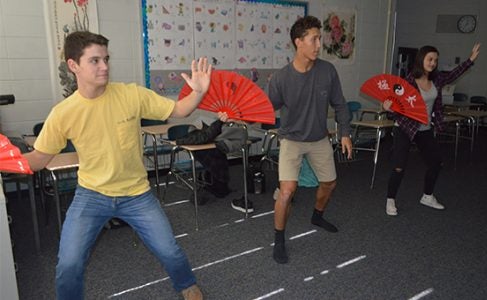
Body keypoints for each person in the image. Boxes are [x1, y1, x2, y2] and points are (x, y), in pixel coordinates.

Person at [23, 31, 219, 300]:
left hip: (136, 194)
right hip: (91, 196)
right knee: (68, 264)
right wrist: (4, 160)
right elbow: (37, 161)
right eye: (94, 60)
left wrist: (198, 92)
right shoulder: (63, 113)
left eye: (106, 59)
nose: (104, 66)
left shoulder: (130, 95)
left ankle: (187, 285)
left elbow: (180, 110)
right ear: (73, 65)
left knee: (169, 250)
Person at [266, 16, 353, 264]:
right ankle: (279, 239)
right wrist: (233, 113)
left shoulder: (327, 71)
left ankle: (317, 215)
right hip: (291, 140)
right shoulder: (281, 78)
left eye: (319, 39)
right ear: (298, 42)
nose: (318, 45)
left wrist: (344, 132)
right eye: (313, 39)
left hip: (318, 138)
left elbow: (340, 104)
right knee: (286, 192)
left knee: (329, 184)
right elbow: (264, 109)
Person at [383, 43, 480, 216]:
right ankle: (390, 200)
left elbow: (453, 75)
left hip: (424, 128)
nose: (433, 62)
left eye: (435, 59)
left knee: (436, 162)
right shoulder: (409, 81)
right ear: (421, 60)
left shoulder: (437, 80)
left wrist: (470, 60)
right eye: (430, 59)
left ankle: (427, 196)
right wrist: (389, 107)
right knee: (399, 166)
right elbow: (395, 103)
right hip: (405, 127)